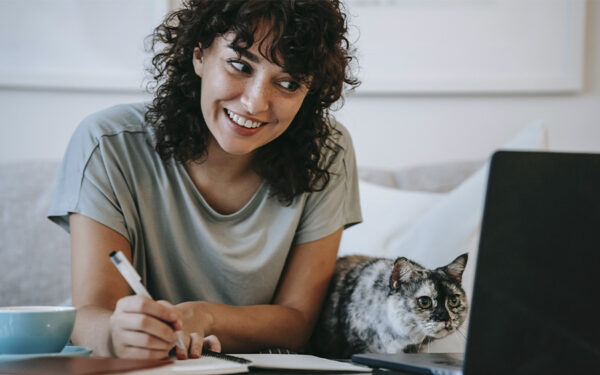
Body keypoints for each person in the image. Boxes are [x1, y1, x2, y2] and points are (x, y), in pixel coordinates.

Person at [48, 0, 361, 360]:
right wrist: (116, 335)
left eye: (288, 83)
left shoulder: (328, 152)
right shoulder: (107, 144)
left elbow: (297, 321)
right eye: (240, 65)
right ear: (199, 54)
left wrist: (204, 316)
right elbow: (91, 314)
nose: (255, 103)